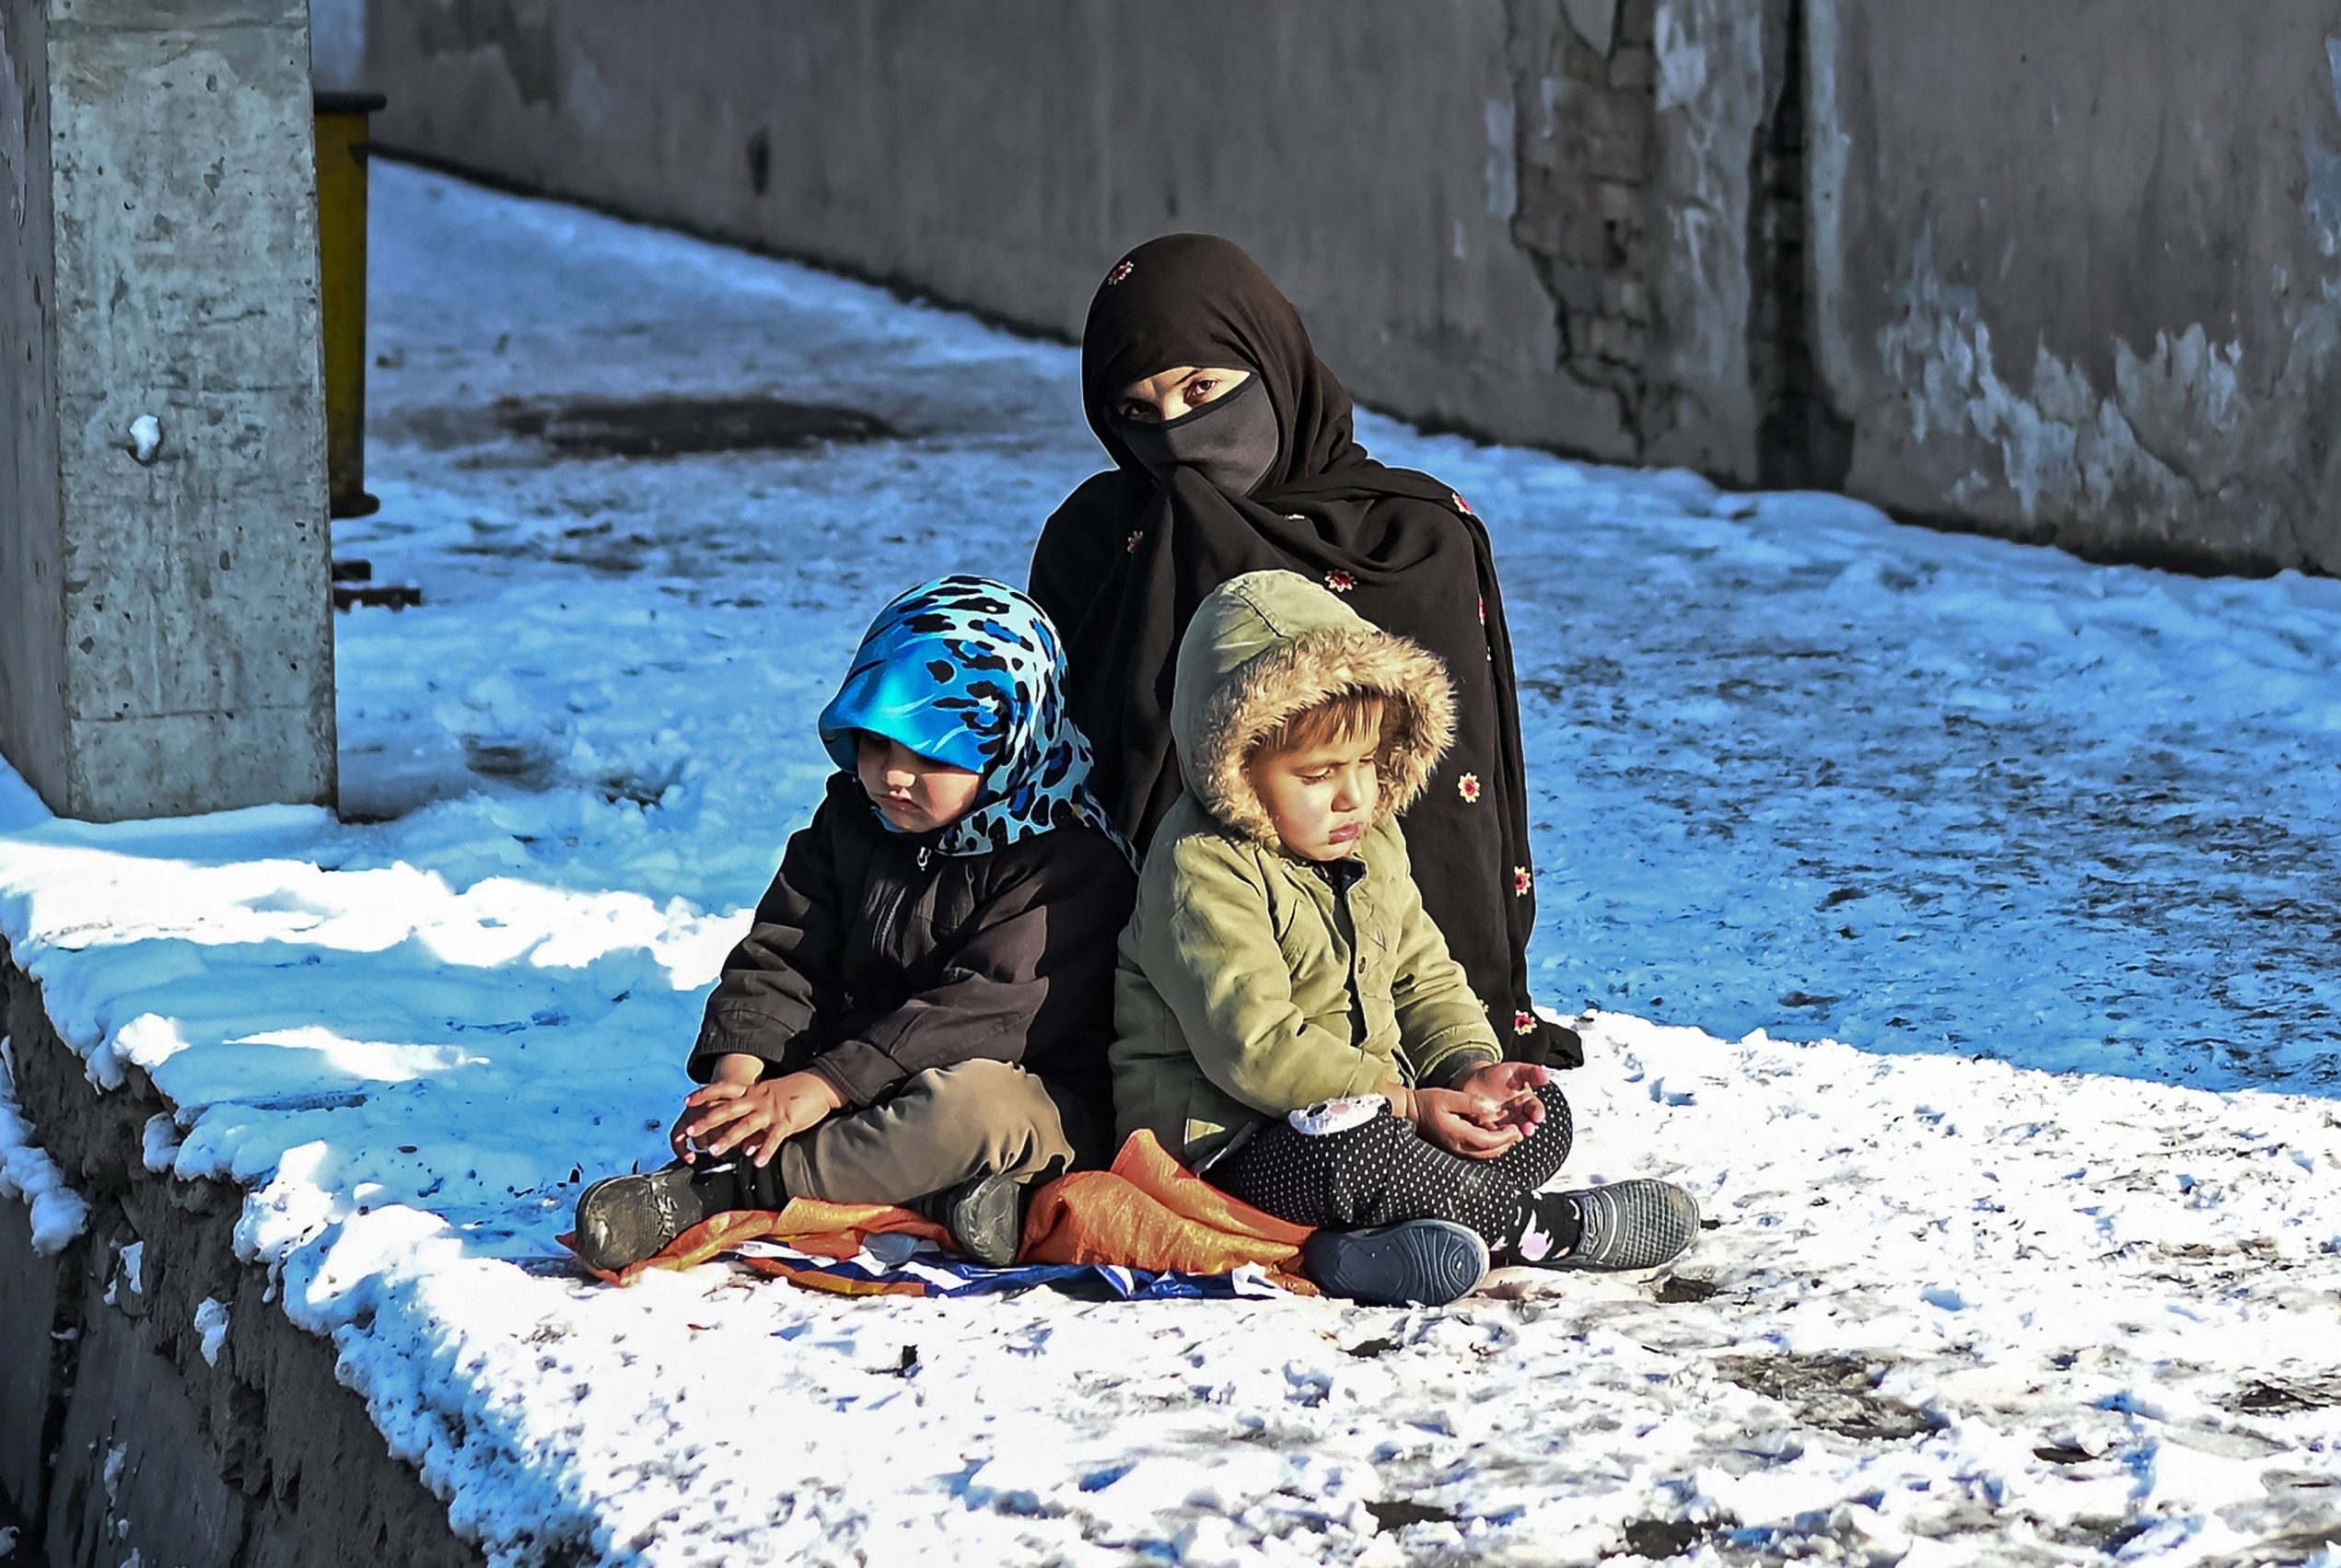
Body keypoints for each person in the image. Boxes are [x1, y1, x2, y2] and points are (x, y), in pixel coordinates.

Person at [1029, 233, 1578, 1070]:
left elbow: (1456, 818)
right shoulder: (1097, 543)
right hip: (1177, 1017)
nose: (1175, 435)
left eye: (1202, 390)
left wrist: (1458, 1052)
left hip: (1402, 994)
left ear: (1269, 361)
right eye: (1138, 412)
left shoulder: (1408, 539)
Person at [1112, 572, 1696, 1307]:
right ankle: (1546, 1229)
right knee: (1360, 1150)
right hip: (1233, 1146)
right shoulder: (1200, 865)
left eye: (1365, 761)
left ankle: (1362, 1252)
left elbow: (1423, 973)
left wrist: (1467, 1070)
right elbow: (1255, 1045)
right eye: (1318, 774)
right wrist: (1410, 1106)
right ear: (1236, 766)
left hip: (1377, 1106)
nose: (1354, 794)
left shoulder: (1373, 839)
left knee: (1537, 1120)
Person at [573, 576, 1136, 1272]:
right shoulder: (852, 820)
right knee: (815, 1097)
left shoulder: (1070, 860)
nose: (893, 776)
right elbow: (783, 953)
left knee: (968, 1111)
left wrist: (826, 1086)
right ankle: (953, 1199)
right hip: (858, 1070)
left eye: (931, 756)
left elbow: (979, 1013)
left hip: (1026, 1095)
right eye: (877, 745)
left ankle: (734, 1188)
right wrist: (740, 1075)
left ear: (1007, 748)